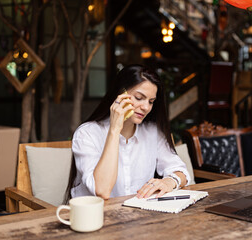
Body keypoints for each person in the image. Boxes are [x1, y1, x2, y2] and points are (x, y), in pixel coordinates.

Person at [65, 64, 190, 201]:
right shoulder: (87, 133)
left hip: (138, 217)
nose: (146, 107)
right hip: (95, 217)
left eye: (151, 101)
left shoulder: (152, 132)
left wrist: (168, 182)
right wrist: (114, 129)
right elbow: (102, 190)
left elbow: (181, 171)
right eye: (139, 97)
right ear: (120, 94)